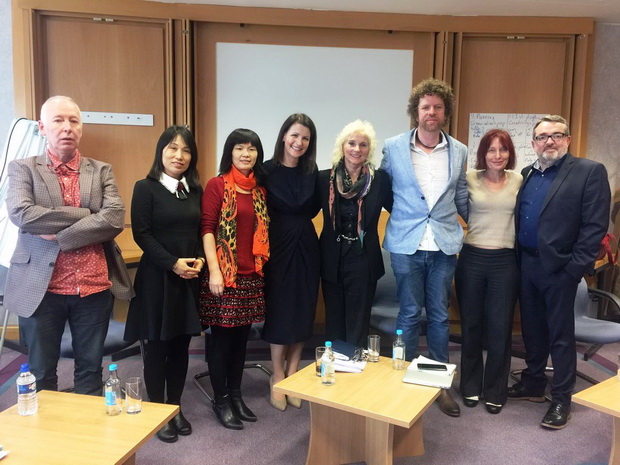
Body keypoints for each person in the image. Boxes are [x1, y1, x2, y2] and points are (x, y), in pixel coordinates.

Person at [4, 96, 134, 395]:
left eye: (74, 121)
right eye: (58, 120)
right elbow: (22, 213)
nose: (67, 127)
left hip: (93, 287)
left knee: (90, 370)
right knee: (41, 372)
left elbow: (114, 218)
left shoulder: (100, 170)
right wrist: (87, 215)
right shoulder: (23, 168)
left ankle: (87, 423)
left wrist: (61, 236)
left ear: (81, 128)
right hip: (41, 288)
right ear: (42, 127)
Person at [508, 115, 611, 429]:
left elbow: (594, 226)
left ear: (568, 139)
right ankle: (534, 383)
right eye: (542, 137)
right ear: (533, 143)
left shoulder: (588, 171)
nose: (549, 141)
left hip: (560, 269)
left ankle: (562, 398)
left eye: (556, 135)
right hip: (527, 265)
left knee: (561, 337)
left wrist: (573, 270)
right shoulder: (526, 174)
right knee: (532, 330)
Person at [381, 78, 467, 417]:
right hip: (407, 244)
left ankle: (439, 385)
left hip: (444, 244)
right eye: (426, 107)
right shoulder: (393, 147)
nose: (432, 112)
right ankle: (399, 380)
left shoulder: (459, 150)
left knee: (440, 316)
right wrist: (406, 216)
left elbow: (461, 194)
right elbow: (385, 191)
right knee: (408, 313)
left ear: (446, 112)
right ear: (415, 112)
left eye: (438, 107)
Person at [124, 126, 204, 443]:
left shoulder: (194, 190)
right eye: (172, 148)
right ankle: (157, 410)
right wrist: (172, 263)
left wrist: (199, 259)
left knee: (181, 346)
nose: (179, 156)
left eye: (186, 150)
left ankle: (174, 407)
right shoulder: (146, 188)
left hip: (188, 280)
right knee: (157, 348)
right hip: (158, 279)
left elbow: (200, 231)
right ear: (161, 151)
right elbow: (142, 235)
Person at [199, 128, 269, 430]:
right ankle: (221, 399)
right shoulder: (217, 185)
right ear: (230, 152)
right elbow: (207, 228)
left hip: (251, 276)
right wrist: (214, 270)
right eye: (240, 147)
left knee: (241, 343)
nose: (246, 153)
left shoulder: (259, 191)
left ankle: (236, 396)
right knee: (222, 343)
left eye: (252, 148)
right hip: (224, 276)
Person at [454, 129, 522, 415]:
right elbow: (456, 206)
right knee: (470, 326)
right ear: (483, 153)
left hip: (505, 262)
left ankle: (495, 391)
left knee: (500, 328)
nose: (497, 155)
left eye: (503, 150)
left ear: (510, 154)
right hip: (472, 258)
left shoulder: (520, 180)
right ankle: (470, 386)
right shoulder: (469, 178)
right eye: (491, 150)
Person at [262, 114, 320, 411]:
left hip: (307, 245)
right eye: (295, 135)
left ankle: (294, 371)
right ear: (284, 135)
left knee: (302, 309)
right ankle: (277, 374)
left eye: (305, 138)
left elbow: (319, 207)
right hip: (276, 246)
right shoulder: (265, 170)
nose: (299, 142)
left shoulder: (313, 172)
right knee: (280, 310)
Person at [317, 120, 392, 348]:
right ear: (342, 146)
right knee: (334, 319)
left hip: (364, 260)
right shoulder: (323, 179)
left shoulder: (380, 180)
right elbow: (304, 210)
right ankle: (334, 364)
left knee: (358, 322)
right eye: (351, 143)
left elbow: (398, 209)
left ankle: (355, 365)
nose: (356, 149)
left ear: (369, 150)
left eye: (363, 144)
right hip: (332, 258)